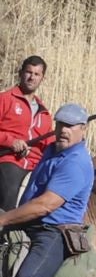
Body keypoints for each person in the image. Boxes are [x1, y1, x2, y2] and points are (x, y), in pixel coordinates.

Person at [0, 104, 94, 277]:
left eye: (71, 126)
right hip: (29, 224)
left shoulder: (76, 162)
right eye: (60, 124)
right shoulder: (53, 150)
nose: (64, 130)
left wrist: (4, 219)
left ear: (83, 129)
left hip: (55, 232)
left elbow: (45, 205)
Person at [0, 55, 52, 209]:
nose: (32, 77)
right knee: (10, 192)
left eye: (37, 74)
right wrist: (11, 141)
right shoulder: (5, 99)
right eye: (29, 72)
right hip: (9, 160)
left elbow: (49, 143)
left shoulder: (44, 113)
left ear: (42, 78)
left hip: (36, 166)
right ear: (21, 73)